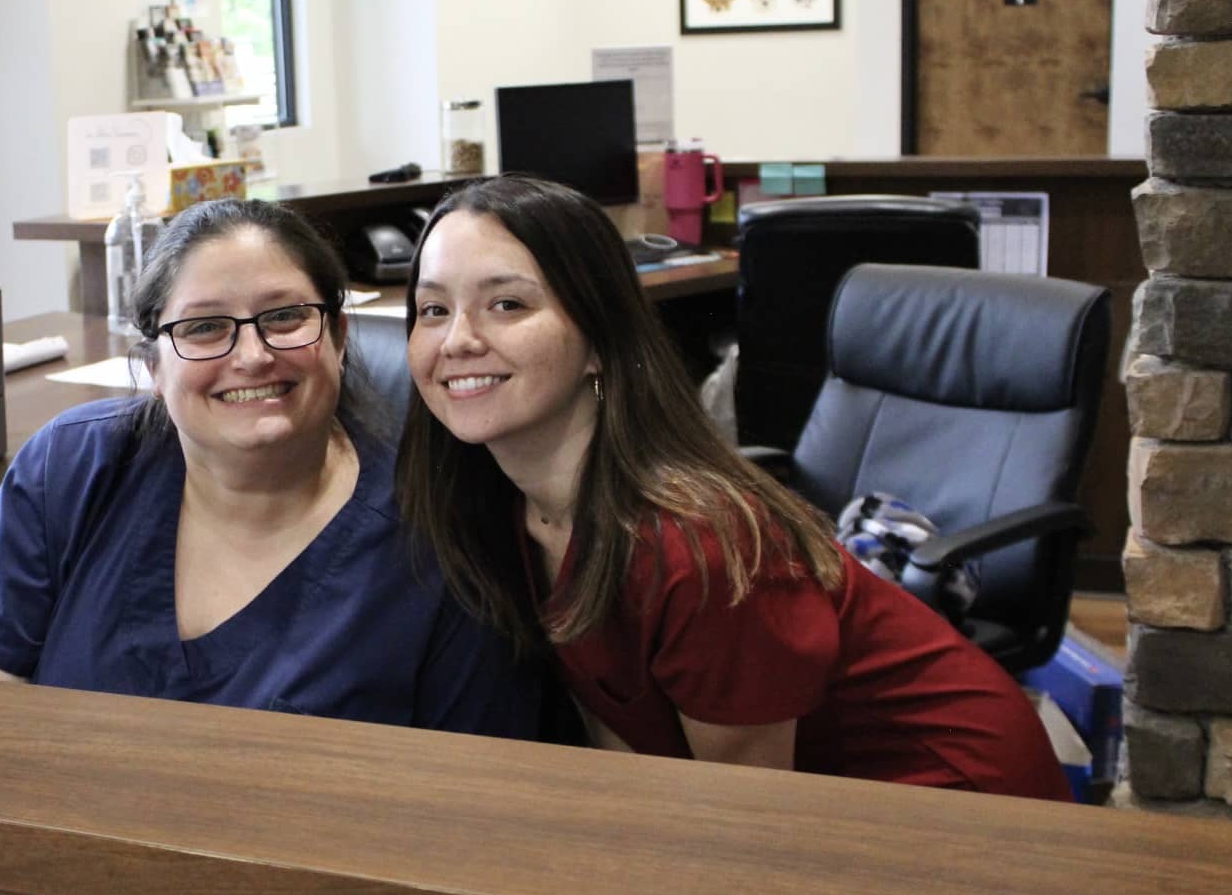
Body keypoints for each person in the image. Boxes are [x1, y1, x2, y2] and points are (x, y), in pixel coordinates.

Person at [395, 175, 1067, 797]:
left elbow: (748, 813)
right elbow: (619, 733)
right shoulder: (503, 506)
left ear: (598, 337)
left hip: (947, 799)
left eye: (506, 304)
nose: (457, 340)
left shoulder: (697, 547)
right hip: (778, 810)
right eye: (432, 311)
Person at [0, 197, 537, 740]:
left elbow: (470, 807)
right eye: (203, 328)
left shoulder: (437, 543)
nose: (252, 355)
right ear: (153, 367)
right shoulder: (69, 471)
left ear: (340, 335)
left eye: (285, 317)